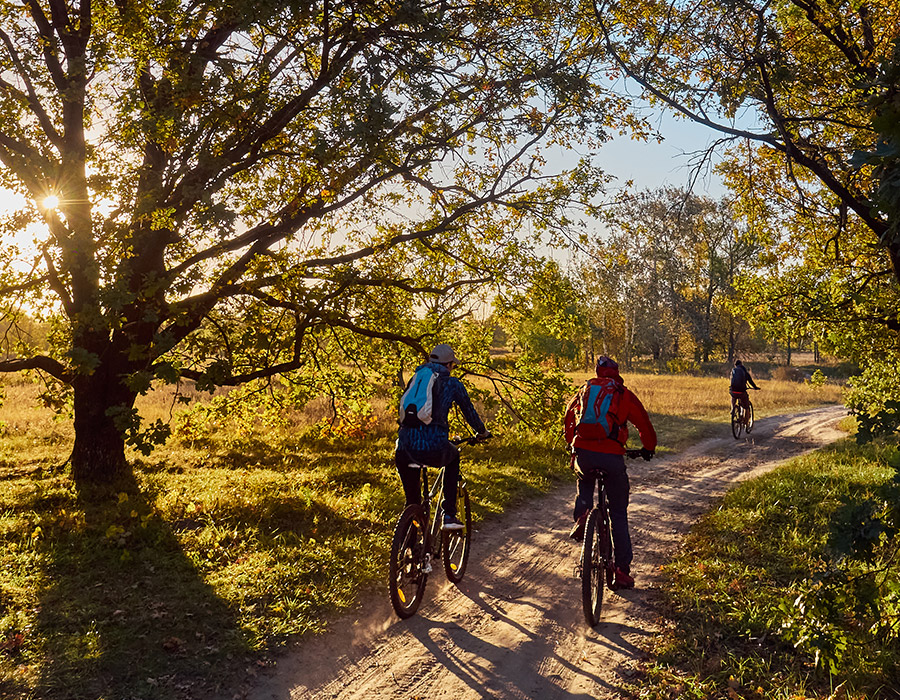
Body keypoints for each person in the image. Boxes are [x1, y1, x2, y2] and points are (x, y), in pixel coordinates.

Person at [563, 356, 656, 590]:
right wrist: (648, 448)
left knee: (583, 477)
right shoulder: (622, 394)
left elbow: (568, 417)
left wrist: (571, 444)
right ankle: (621, 571)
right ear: (616, 373)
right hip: (612, 457)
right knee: (618, 513)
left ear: (597, 372)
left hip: (584, 452)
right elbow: (643, 423)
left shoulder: (584, 390)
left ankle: (583, 514)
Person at [395, 344, 491, 531]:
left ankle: (410, 550)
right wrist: (482, 432)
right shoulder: (452, 384)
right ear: (449, 365)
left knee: (412, 501)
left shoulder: (416, 379)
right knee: (453, 457)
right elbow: (469, 413)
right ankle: (449, 515)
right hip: (433, 448)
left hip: (404, 448)